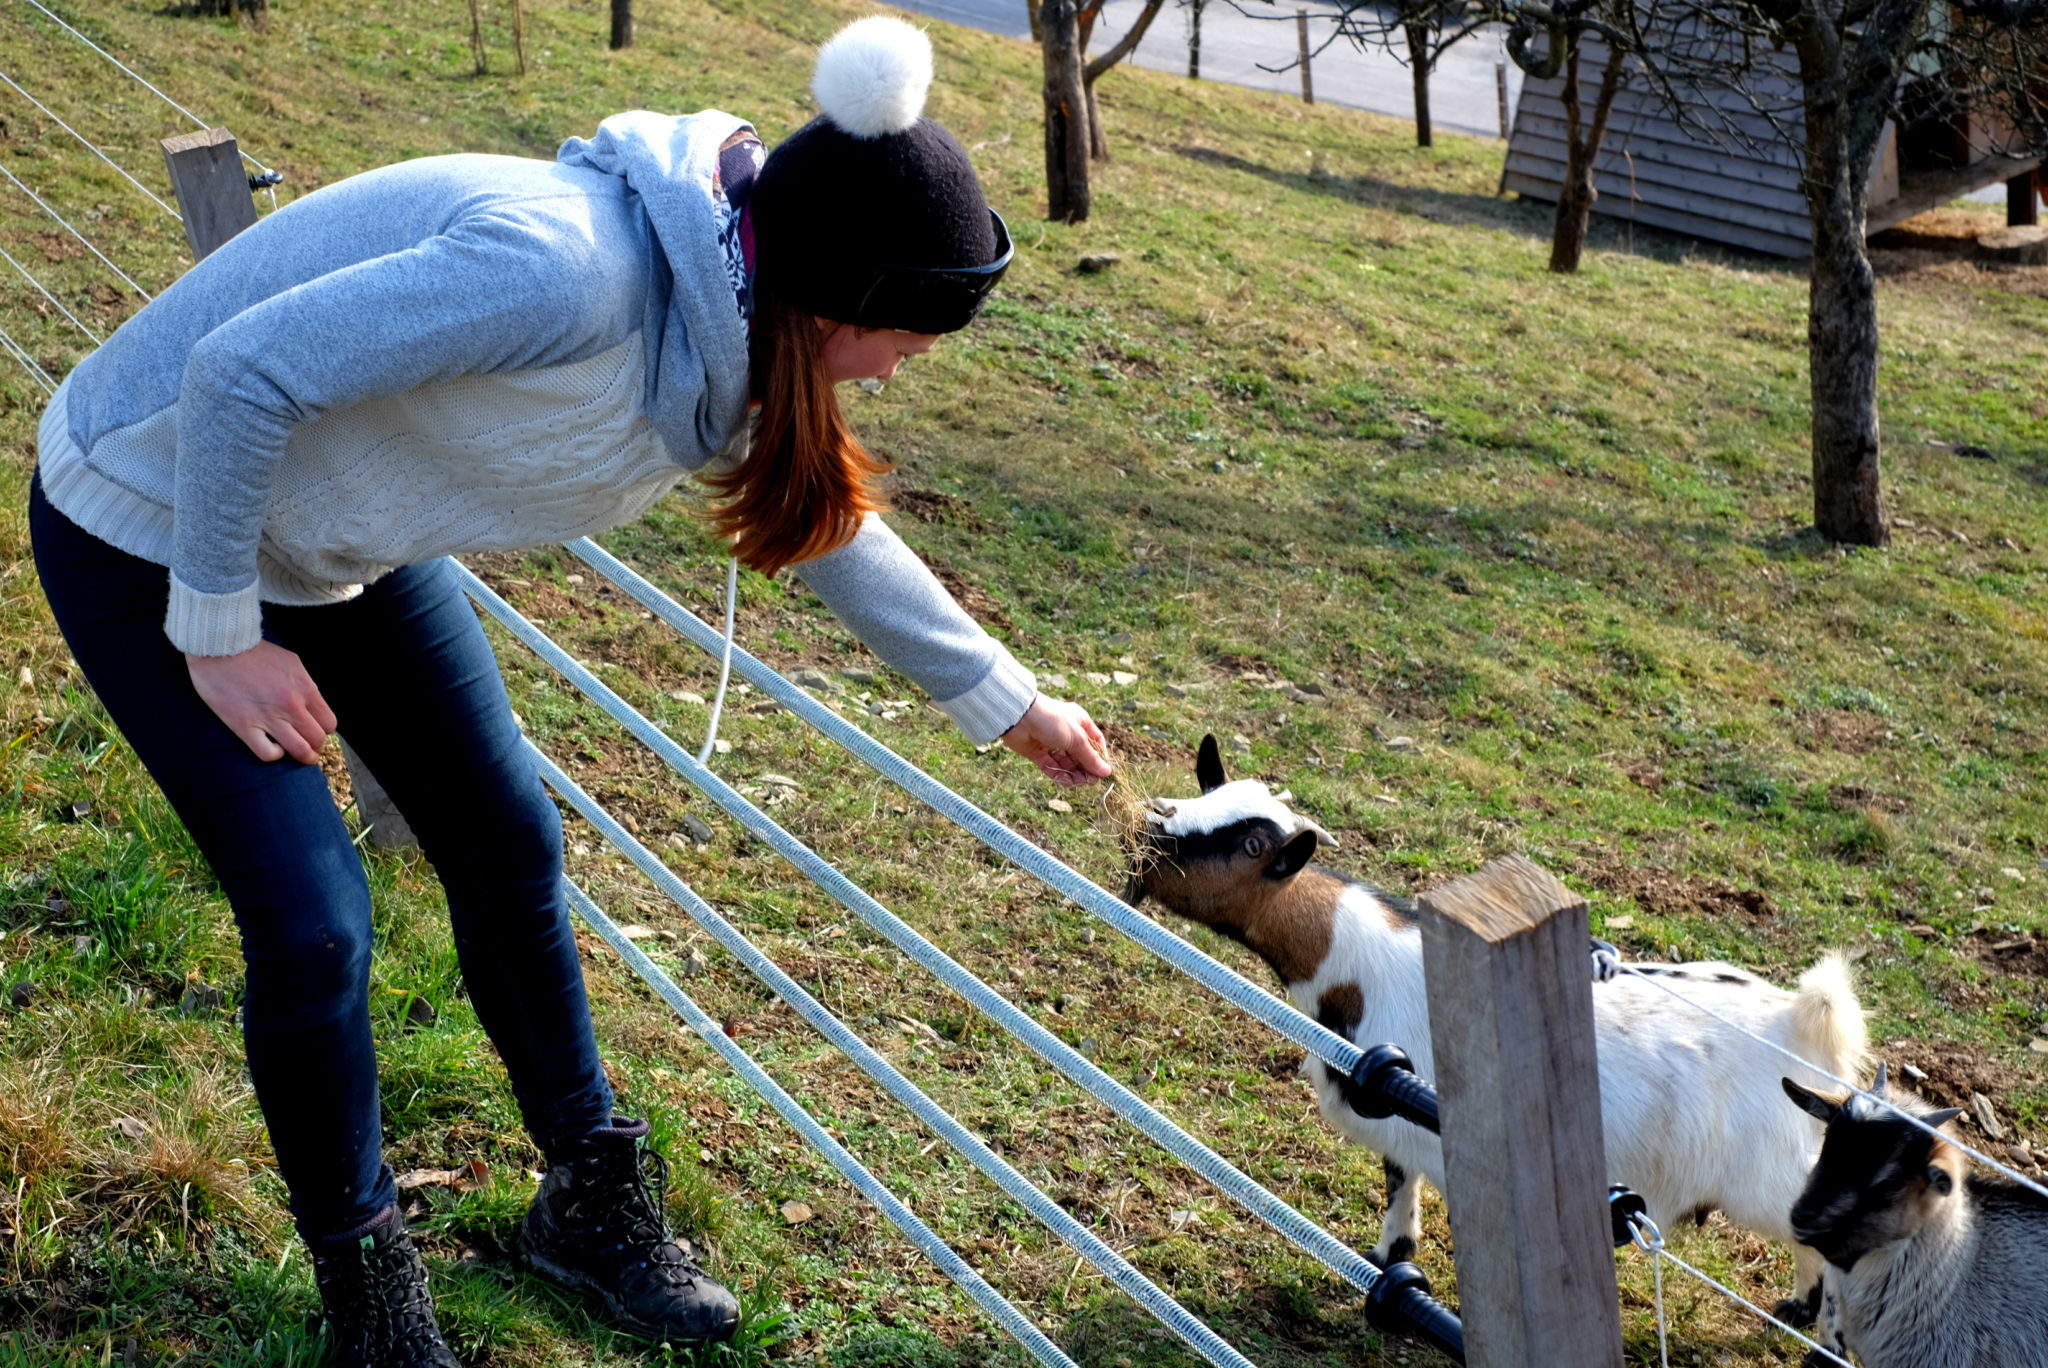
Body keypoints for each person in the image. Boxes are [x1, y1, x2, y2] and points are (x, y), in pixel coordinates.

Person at [28, 17, 1111, 1367]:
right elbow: (239, 373)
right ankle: (369, 1287)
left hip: (333, 547)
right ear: (830, 298)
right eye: (899, 336)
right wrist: (220, 629)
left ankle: (587, 1202)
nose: (901, 368)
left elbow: (824, 516)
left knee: (506, 841)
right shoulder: (569, 274)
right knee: (315, 931)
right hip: (152, 522)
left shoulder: (737, 312)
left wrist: (1009, 703)